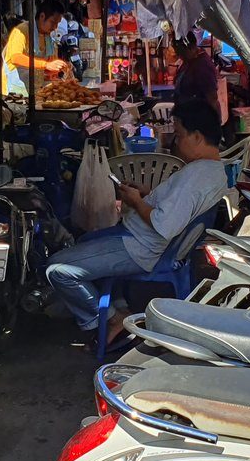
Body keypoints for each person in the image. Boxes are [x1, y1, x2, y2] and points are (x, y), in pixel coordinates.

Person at [46, 99, 227, 344]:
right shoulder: (209, 171)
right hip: (138, 237)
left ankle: (111, 318)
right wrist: (145, 194)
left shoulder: (196, 178)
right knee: (84, 241)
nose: (176, 140)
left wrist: (137, 202)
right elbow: (171, 208)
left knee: (57, 270)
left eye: (180, 134)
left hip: (140, 247)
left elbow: (164, 224)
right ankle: (116, 304)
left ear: (196, 137)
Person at [2, 0, 71, 95]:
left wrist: (58, 69)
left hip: (36, 91)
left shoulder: (48, 38)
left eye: (57, 24)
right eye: (53, 22)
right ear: (42, 16)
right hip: (15, 92)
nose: (55, 27)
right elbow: (15, 57)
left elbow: (45, 68)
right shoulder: (22, 30)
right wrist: (46, 65)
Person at [172, 31, 219, 111]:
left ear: (191, 47)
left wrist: (213, 121)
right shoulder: (188, 62)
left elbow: (212, 98)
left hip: (199, 118)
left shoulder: (203, 66)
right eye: (177, 52)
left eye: (181, 52)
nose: (179, 56)